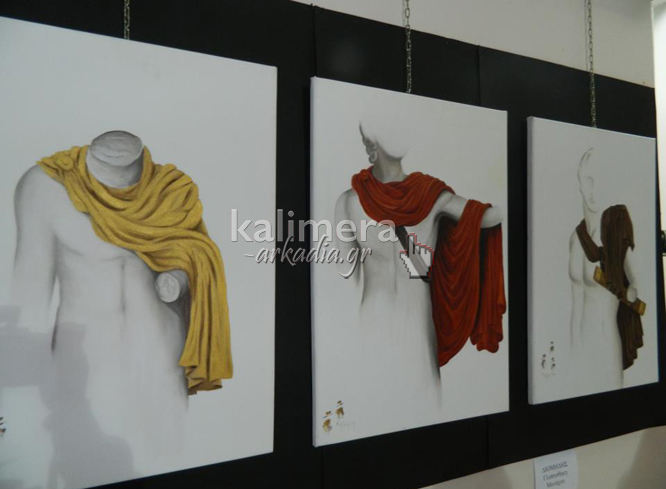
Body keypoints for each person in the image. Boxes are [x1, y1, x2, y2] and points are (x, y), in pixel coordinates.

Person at [5, 130, 230, 484]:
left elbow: (195, 259)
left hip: (160, 369)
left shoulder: (172, 190)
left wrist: (179, 278)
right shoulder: (45, 188)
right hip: (87, 372)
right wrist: (22, 412)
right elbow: (28, 302)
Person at [333, 119, 505, 425]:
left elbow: (488, 218)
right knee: (370, 417)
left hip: (417, 333)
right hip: (372, 326)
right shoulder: (349, 202)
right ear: (370, 137)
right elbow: (344, 283)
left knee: (426, 416)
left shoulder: (432, 196)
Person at [568, 148, 641, 394]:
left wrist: (631, 290)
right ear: (580, 182)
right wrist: (573, 351)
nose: (594, 189)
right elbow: (575, 303)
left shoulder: (615, 232)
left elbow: (636, 283)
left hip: (606, 345)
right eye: (588, 180)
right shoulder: (575, 239)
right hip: (578, 349)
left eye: (600, 180)